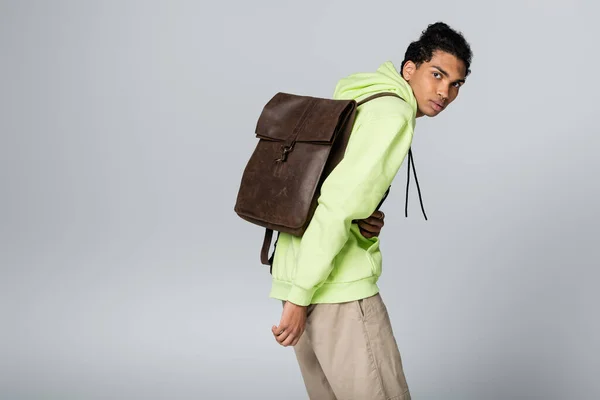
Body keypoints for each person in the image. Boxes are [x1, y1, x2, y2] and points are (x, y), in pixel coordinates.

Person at [268, 21, 473, 400]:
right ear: (409, 69)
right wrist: (300, 298)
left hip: (299, 275)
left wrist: (361, 223)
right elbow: (335, 207)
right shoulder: (393, 115)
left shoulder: (363, 98)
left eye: (456, 84)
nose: (445, 91)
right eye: (437, 75)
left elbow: (330, 189)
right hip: (337, 291)